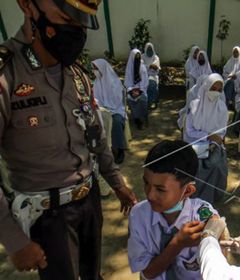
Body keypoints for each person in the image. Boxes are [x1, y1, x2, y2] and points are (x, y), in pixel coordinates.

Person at [0, 1, 137, 279]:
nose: (77, 31)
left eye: (82, 22)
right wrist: (14, 241)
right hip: (48, 217)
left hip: (89, 202)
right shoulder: (8, 76)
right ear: (28, 6)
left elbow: (96, 137)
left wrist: (117, 182)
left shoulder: (77, 75)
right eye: (66, 18)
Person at [128, 140, 220, 280]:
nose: (150, 195)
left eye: (160, 189)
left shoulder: (202, 217)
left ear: (188, 190)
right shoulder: (138, 215)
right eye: (146, 183)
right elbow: (147, 273)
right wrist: (178, 243)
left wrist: (219, 236)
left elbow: (218, 269)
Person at [184, 74, 228, 203]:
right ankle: (194, 197)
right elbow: (189, 131)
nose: (216, 92)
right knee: (197, 165)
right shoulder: (194, 106)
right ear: (206, 87)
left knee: (216, 165)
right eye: (213, 88)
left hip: (214, 144)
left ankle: (210, 198)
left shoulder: (222, 108)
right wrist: (207, 135)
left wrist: (215, 141)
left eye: (219, 90)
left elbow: (222, 131)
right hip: (194, 142)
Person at [92, 58, 128, 164]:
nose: (94, 71)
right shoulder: (97, 82)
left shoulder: (115, 82)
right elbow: (96, 98)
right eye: (94, 69)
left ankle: (119, 150)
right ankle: (99, 150)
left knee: (116, 122)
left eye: (96, 68)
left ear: (102, 69)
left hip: (115, 109)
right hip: (102, 109)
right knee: (93, 121)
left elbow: (117, 101)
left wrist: (107, 108)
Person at [125, 48, 149, 130]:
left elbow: (145, 82)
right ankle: (137, 119)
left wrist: (139, 91)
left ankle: (143, 118)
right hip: (132, 90)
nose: (137, 59)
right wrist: (131, 90)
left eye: (139, 57)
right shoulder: (129, 68)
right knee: (130, 98)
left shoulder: (142, 67)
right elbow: (127, 82)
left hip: (141, 90)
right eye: (136, 57)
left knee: (142, 99)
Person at [143, 42, 161, 110]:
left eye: (150, 49)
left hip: (153, 75)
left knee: (151, 83)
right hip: (144, 75)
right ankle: (147, 101)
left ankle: (153, 101)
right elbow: (141, 67)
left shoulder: (156, 57)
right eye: (148, 49)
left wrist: (148, 67)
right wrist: (150, 66)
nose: (149, 51)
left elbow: (156, 68)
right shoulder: (142, 56)